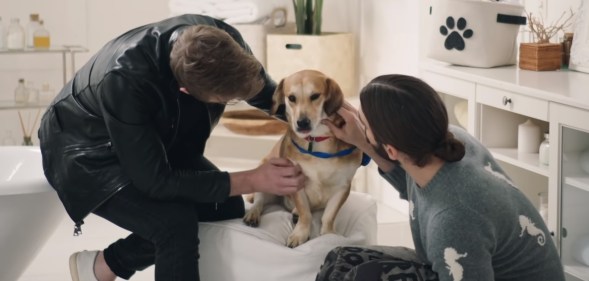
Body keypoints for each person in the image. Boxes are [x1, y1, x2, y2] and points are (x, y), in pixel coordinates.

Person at [38, 14, 305, 281]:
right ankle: (103, 267)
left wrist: (327, 116)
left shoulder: (221, 42)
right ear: (185, 91)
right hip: (84, 152)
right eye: (228, 100)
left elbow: (262, 91)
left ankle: (103, 265)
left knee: (225, 206)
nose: (234, 101)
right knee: (175, 225)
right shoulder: (125, 81)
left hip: (149, 137)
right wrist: (252, 179)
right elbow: (155, 181)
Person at [318, 74, 565, 281]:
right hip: (470, 261)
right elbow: (412, 186)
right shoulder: (450, 140)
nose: (360, 126)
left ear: (392, 150)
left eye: (363, 124)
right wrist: (362, 140)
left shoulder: (454, 221)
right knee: (337, 262)